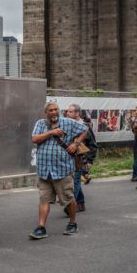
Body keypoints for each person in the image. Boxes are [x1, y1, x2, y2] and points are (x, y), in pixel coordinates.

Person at [30, 101, 89, 239]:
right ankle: (41, 227)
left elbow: (85, 129)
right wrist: (51, 132)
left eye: (55, 109)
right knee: (44, 199)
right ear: (46, 112)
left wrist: (75, 143)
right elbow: (35, 139)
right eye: (50, 110)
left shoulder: (68, 122)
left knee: (68, 199)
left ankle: (72, 223)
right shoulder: (40, 124)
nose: (54, 112)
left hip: (62, 169)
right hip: (44, 171)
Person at [66, 104, 97, 212]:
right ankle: (81, 203)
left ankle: (69, 206)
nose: (67, 113)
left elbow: (92, 145)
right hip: (68, 159)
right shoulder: (66, 124)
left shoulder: (85, 127)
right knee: (73, 181)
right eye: (67, 111)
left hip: (81, 159)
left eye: (70, 112)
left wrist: (89, 160)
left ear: (77, 113)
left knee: (76, 181)